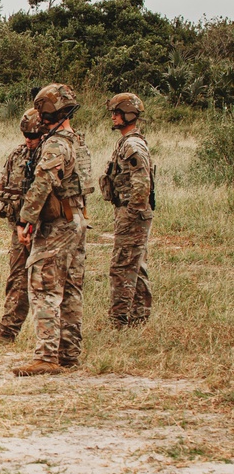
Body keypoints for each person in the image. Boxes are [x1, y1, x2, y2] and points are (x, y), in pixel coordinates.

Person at [13, 84, 93, 376]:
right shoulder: (76, 140)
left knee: (44, 286)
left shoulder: (55, 144)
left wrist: (25, 220)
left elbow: (42, 184)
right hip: (76, 219)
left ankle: (47, 356)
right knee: (70, 288)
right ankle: (68, 352)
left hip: (58, 224)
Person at [0, 108, 44, 343]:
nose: (29, 139)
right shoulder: (18, 154)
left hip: (42, 227)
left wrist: (30, 223)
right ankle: (7, 329)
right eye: (26, 134)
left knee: (46, 280)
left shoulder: (48, 155)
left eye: (34, 134)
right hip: (18, 225)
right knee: (17, 275)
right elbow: (3, 183)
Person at [99, 93, 154, 328]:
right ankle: (139, 316)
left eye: (117, 113)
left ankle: (119, 319)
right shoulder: (128, 141)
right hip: (130, 211)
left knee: (122, 266)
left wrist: (131, 213)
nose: (113, 117)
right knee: (135, 264)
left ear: (129, 115)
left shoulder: (132, 144)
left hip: (131, 212)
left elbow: (142, 183)